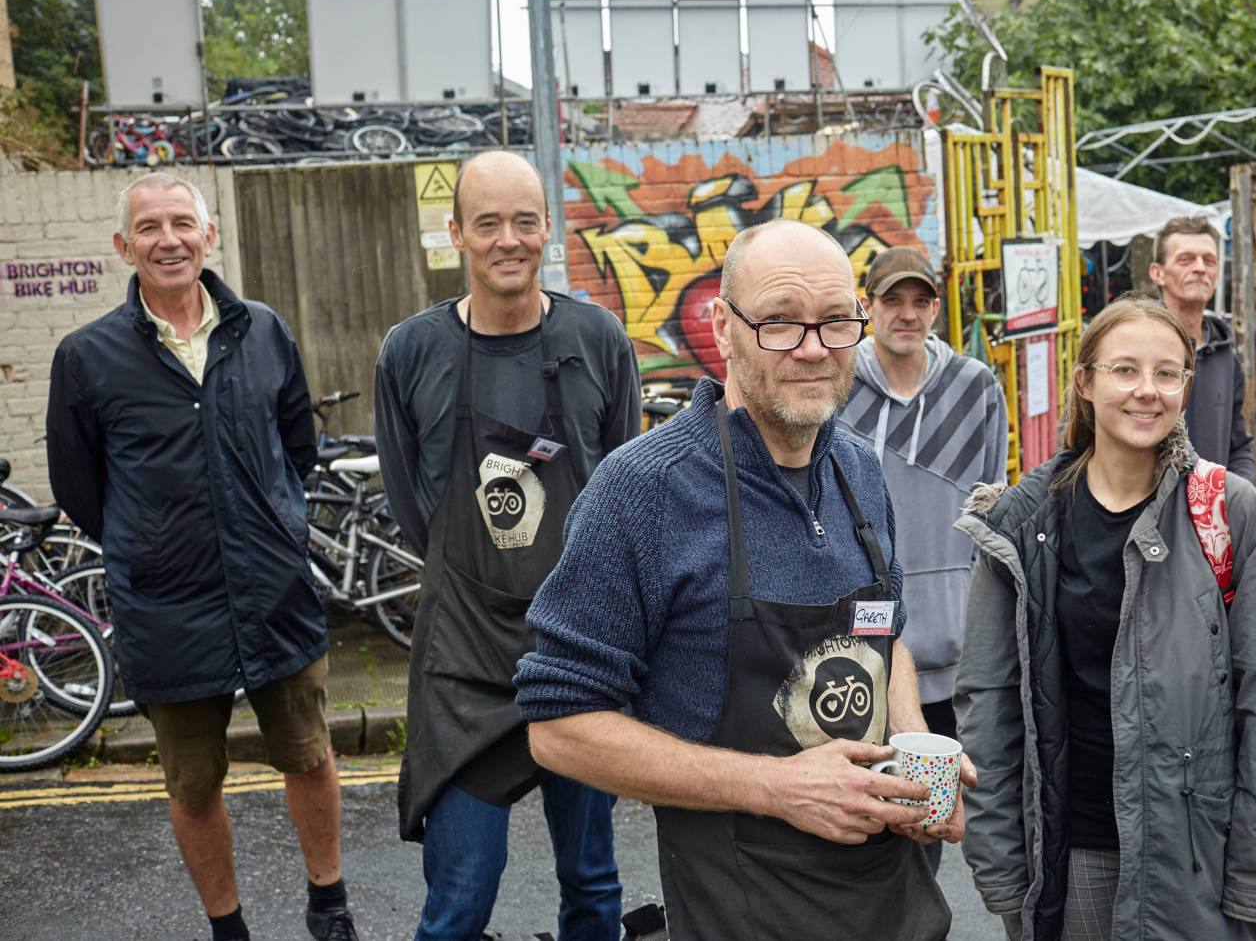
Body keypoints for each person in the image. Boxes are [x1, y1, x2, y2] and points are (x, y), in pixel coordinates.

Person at [514, 219, 971, 941]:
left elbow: (887, 635)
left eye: (835, 322)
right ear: (724, 329)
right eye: (781, 323)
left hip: (895, 905)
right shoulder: (641, 491)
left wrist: (914, 743)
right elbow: (558, 727)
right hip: (742, 912)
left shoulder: (858, 471)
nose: (814, 348)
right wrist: (777, 787)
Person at [46, 173, 357, 941]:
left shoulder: (264, 330)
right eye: (148, 228)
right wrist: (150, 541)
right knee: (192, 786)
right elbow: (81, 488)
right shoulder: (86, 357)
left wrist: (271, 525)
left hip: (273, 591)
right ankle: (230, 930)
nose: (168, 239)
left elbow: (298, 450)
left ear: (208, 235)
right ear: (124, 246)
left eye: (182, 222)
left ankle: (331, 905)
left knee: (311, 757)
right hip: (167, 606)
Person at [954, 293, 1256, 941]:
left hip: (1198, 859)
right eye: (1125, 370)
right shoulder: (1021, 526)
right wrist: (1002, 864)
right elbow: (989, 705)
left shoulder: (1230, 516)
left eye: (1166, 372)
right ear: (1085, 382)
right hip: (1077, 853)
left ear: (1185, 385)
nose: (1146, 391)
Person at [373, 151, 638, 941]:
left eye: (525, 220)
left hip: (578, 651)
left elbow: (621, 486)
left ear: (547, 228)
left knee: (593, 888)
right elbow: (411, 505)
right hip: (464, 658)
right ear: (457, 233)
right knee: (458, 904)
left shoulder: (598, 337)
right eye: (487, 222)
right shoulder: (411, 351)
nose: (507, 240)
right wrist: (486, 578)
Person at [837, 244, 1008, 873]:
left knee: (929, 821)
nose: (907, 314)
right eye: (892, 300)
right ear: (868, 306)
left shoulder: (975, 387)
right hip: (862, 639)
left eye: (920, 301)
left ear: (936, 308)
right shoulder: (837, 380)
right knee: (859, 819)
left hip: (954, 645)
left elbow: (991, 504)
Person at [1148, 215, 1255, 479]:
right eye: (1185, 260)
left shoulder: (1226, 359)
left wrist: (1237, 499)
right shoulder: (1133, 347)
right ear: (1157, 273)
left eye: (1209, 260)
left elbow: (1239, 446)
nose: (1200, 268)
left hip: (1209, 516)